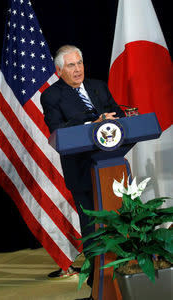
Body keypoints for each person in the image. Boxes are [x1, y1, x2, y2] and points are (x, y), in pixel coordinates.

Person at [40, 45, 125, 286]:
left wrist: (110, 119)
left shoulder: (98, 86)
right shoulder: (52, 96)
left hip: (112, 166)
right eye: (71, 65)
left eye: (80, 63)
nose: (78, 69)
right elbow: (57, 131)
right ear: (59, 71)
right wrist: (93, 121)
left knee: (119, 218)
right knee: (93, 228)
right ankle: (97, 283)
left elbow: (117, 113)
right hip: (81, 170)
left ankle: (124, 273)